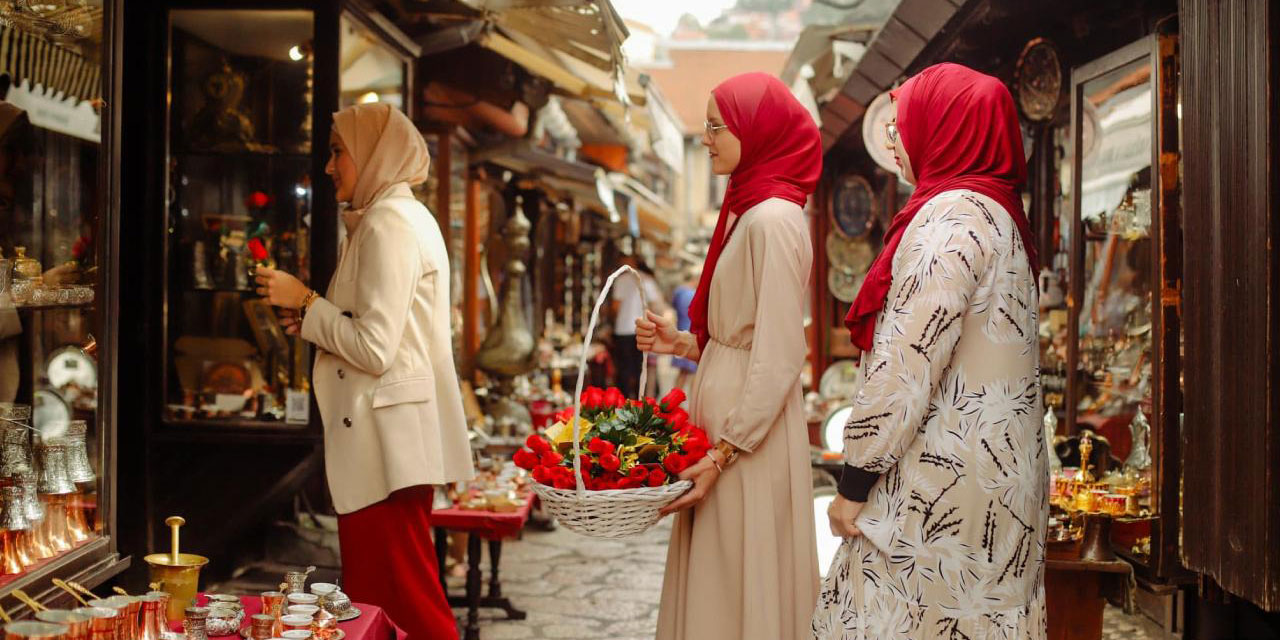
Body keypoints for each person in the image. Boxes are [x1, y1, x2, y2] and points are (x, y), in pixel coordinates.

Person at [812, 63, 1047, 639]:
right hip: (994, 482)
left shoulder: (951, 219)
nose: (895, 138)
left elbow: (905, 366)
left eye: (905, 123)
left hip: (938, 491)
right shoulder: (998, 215)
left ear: (947, 127)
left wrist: (855, 482)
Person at [255, 102, 474, 640]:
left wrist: (307, 302)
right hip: (390, 445)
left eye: (337, 151)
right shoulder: (397, 217)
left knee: (401, 606)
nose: (329, 167)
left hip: (385, 450)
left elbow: (374, 347)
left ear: (373, 154)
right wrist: (312, 317)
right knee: (388, 603)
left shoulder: (388, 224)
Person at [636, 71, 822, 640]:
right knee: (722, 574)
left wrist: (723, 453)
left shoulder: (772, 219)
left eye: (717, 127)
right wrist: (685, 343)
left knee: (739, 574)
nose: (707, 138)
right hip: (731, 425)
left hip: (746, 439)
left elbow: (780, 352)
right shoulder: (750, 210)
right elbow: (747, 335)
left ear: (755, 130)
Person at [610, 253, 662, 397]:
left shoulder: (621, 279)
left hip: (624, 329)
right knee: (641, 366)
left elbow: (616, 306)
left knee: (625, 367)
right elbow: (656, 305)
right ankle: (642, 399)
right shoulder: (647, 279)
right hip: (642, 328)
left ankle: (625, 398)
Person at [669, 267, 698, 392]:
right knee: (693, 374)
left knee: (683, 373)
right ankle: (692, 404)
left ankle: (672, 403)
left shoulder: (678, 291)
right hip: (691, 333)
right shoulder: (692, 294)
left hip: (680, 331)